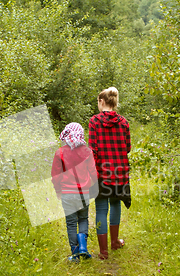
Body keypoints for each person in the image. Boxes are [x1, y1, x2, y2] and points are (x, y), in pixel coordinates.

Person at [89, 87, 131, 260]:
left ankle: (103, 251)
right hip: (119, 172)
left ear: (101, 102)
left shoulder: (94, 121)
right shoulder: (124, 122)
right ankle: (114, 242)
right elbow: (127, 148)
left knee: (101, 208)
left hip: (101, 172)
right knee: (115, 205)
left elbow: (93, 149)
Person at [51, 122, 98, 262]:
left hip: (67, 193)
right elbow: (94, 173)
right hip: (84, 193)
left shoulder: (60, 152)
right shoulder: (87, 152)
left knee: (71, 223)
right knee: (83, 219)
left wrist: (58, 191)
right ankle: (83, 247)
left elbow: (55, 175)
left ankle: (75, 254)